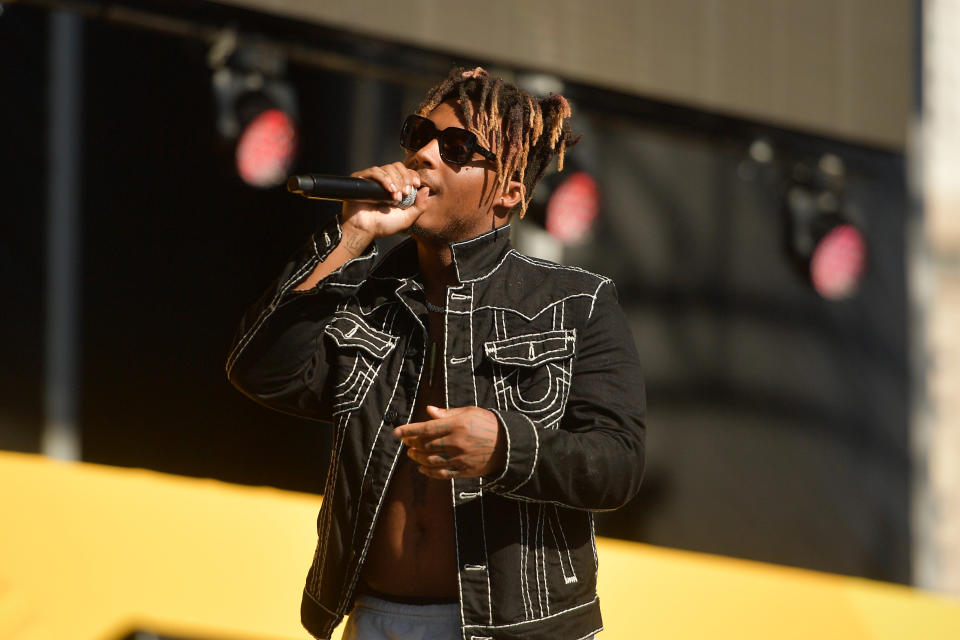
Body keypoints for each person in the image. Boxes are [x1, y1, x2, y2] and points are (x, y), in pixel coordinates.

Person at [226, 66, 646, 640]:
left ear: (509, 192)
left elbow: (617, 465)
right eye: (419, 134)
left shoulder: (578, 302)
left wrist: (506, 446)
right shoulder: (369, 295)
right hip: (376, 617)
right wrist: (351, 238)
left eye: (454, 147)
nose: (423, 155)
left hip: (518, 629)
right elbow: (263, 372)